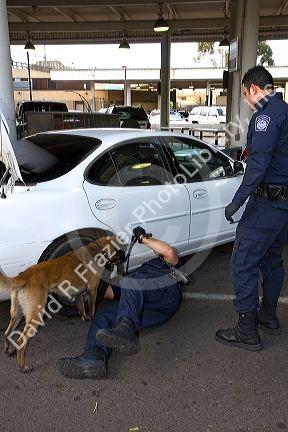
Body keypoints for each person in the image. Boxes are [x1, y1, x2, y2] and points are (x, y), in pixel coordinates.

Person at [215, 65, 288, 351]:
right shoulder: (285, 111)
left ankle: (246, 330)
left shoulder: (266, 117)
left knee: (242, 262)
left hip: (266, 205)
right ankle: (268, 317)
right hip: (283, 207)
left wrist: (237, 199)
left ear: (255, 89)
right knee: (273, 260)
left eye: (245, 94)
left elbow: (258, 165)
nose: (246, 101)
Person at [57, 227, 186, 379]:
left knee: (132, 283)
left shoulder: (169, 264)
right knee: (103, 317)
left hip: (166, 295)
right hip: (150, 311)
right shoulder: (134, 277)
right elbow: (109, 292)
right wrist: (82, 283)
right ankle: (94, 356)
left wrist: (142, 238)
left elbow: (169, 252)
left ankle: (125, 330)